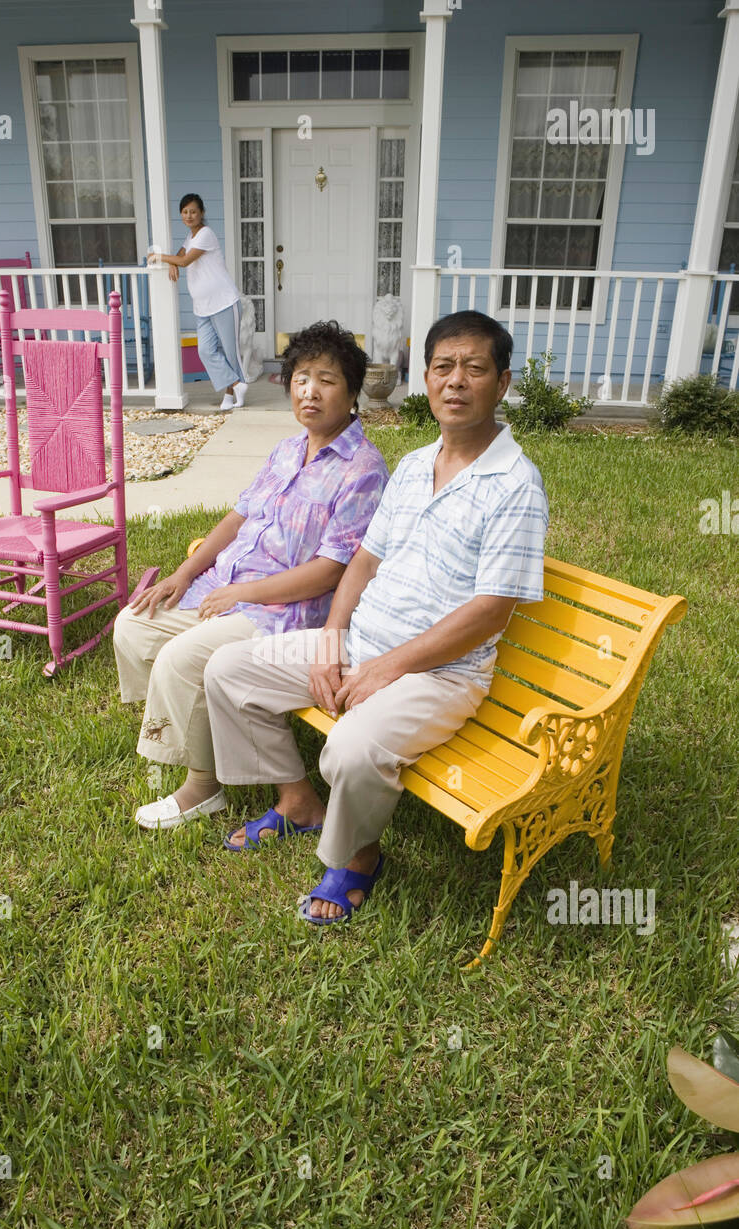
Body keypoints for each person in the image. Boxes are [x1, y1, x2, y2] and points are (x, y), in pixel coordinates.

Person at [204, 310, 549, 923]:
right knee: (229, 670)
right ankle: (294, 802)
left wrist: (385, 669)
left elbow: (491, 612)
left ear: (501, 383)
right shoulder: (416, 465)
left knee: (351, 750)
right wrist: (334, 639)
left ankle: (358, 857)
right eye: (444, 366)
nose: (456, 381)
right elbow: (363, 560)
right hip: (362, 643)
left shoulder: (515, 485)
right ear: (426, 377)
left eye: (475, 368)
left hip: (441, 675)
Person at [113, 320, 389, 830]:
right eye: (301, 377)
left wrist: (241, 592)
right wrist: (182, 574)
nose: (310, 390)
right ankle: (178, 723)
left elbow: (329, 573)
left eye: (327, 379)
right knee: (133, 622)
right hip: (225, 588)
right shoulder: (286, 450)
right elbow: (239, 516)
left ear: (352, 393)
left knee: (180, 656)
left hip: (284, 612)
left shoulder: (363, 470)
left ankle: (202, 786)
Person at [148, 194, 251, 411]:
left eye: (193, 211)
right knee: (205, 350)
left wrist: (161, 258)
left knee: (230, 352)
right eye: (185, 212)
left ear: (201, 213)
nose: (189, 215)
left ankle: (231, 396)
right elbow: (180, 255)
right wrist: (172, 263)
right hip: (203, 307)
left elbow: (184, 260)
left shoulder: (206, 234)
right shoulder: (191, 237)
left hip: (224, 302)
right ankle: (236, 383)